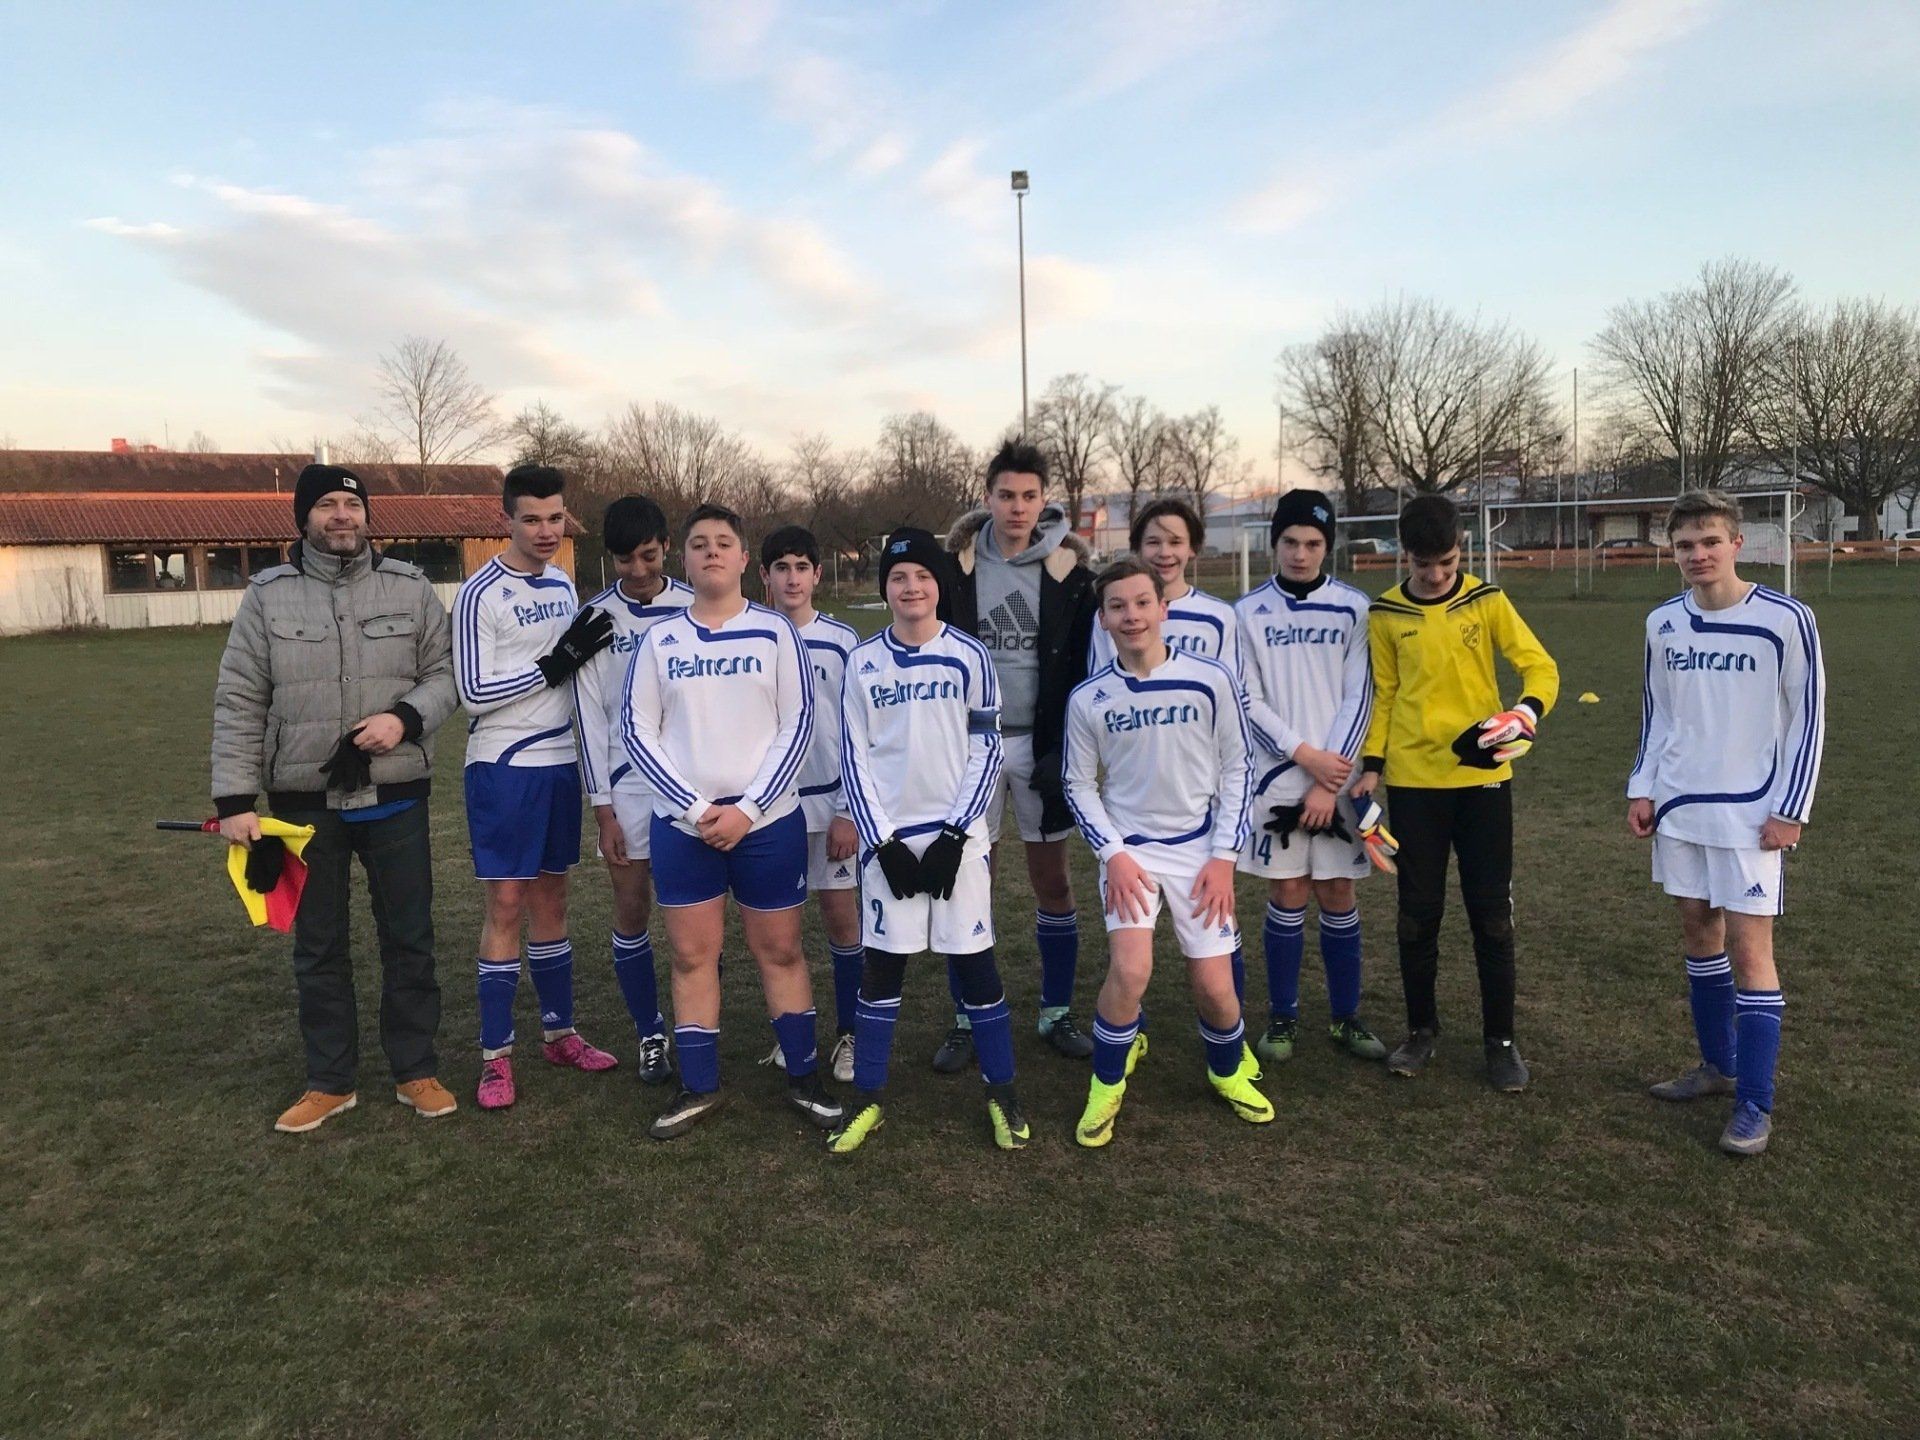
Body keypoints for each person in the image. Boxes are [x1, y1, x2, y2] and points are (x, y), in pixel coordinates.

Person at [211, 462, 458, 1133]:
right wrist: (234, 799)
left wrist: (404, 719)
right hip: (304, 805)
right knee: (318, 947)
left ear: (367, 515)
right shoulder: (267, 598)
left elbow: (445, 674)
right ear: (304, 519)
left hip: (395, 795)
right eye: (326, 505)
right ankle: (330, 1081)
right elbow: (239, 698)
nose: (341, 516)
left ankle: (416, 1069)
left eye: (351, 504)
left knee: (409, 939)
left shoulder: (410, 588)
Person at [621, 503, 843, 1140]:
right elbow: (638, 732)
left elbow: (798, 725)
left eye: (723, 542)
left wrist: (748, 809)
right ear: (684, 559)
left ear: (745, 559)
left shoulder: (776, 634)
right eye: (699, 544)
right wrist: (697, 810)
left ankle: (804, 1077)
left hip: (766, 824)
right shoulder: (660, 640)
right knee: (693, 956)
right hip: (684, 828)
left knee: (781, 950)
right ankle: (699, 1086)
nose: (712, 552)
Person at [1627, 490, 1824, 1157]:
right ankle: (1718, 1066)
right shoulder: (1662, 623)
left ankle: (1755, 1104)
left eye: (1710, 541)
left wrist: (1791, 809)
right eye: (1685, 545)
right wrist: (1642, 788)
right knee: (1697, 931)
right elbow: (1657, 714)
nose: (1698, 555)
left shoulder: (1786, 619)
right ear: (1672, 552)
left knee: (1749, 950)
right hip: (1681, 807)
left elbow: (1808, 719)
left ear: (1737, 543)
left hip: (1751, 815)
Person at [828, 528, 1029, 1155]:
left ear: (939, 585)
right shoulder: (863, 662)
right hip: (888, 844)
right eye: (898, 578)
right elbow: (854, 757)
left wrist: (955, 834)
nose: (911, 587)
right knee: (882, 968)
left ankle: (1003, 1093)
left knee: (975, 965)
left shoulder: (970, 655)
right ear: (885, 588)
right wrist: (882, 842)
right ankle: (867, 1099)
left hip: (957, 844)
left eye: (922, 575)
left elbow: (986, 748)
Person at [1357, 492, 1559, 1092]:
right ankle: (1421, 1031)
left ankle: (1501, 1043)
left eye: (1446, 562)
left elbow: (1540, 667)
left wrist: (1524, 714)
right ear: (1405, 554)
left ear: (1460, 548)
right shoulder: (1385, 614)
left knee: (1492, 916)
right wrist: (1372, 766)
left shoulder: (1486, 600)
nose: (1436, 574)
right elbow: (1385, 694)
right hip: (1414, 784)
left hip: (1482, 783)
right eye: (1424, 564)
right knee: (1417, 917)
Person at [1064, 556, 1269, 1147]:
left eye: (1141, 603)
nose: (1132, 616)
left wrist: (1224, 858)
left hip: (1200, 853)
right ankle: (1105, 1086)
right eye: (1117, 607)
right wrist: (1113, 854)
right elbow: (1078, 784)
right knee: (1131, 970)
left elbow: (1240, 768)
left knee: (1216, 989)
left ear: (1163, 608)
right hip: (1131, 853)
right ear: (1103, 620)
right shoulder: (1089, 698)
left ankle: (1225, 1071)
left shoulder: (1211, 680)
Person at [453, 464, 621, 1111]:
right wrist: (551, 665)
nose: (546, 531)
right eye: (532, 519)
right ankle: (495, 1057)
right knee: (506, 905)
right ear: (507, 520)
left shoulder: (560, 581)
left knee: (553, 899)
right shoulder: (479, 593)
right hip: (503, 764)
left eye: (555, 518)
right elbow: (473, 692)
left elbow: (575, 673)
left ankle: (559, 1034)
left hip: (558, 764)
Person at [939, 439, 1099, 1067]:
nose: (1017, 507)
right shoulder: (955, 567)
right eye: (1006, 495)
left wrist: (1069, 745)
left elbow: (1086, 662)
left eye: (1029, 496)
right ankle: (966, 1016)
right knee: (968, 880)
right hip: (972, 743)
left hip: (1041, 744)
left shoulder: (1071, 572)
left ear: (1043, 500)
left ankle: (1056, 1011)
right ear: (987, 497)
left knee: (1052, 879)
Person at [1234, 489, 1385, 1066]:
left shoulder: (1353, 608)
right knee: (1289, 891)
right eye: (1291, 542)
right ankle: (1283, 1017)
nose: (1301, 554)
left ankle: (1346, 1017)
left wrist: (1328, 779)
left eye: (1313, 543)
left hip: (1339, 780)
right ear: (1275, 543)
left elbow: (1360, 696)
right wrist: (1304, 757)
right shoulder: (1246, 613)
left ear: (1329, 546)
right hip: (1279, 778)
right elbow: (1247, 699)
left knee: (1339, 891)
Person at [571, 495, 692, 1086]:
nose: (639, 571)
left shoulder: (696, 607)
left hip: (693, 787)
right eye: (625, 560)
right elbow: (589, 717)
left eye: (648, 555)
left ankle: (697, 1027)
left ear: (666, 546)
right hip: (628, 789)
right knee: (632, 907)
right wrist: (603, 810)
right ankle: (650, 1032)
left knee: (695, 914)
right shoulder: (594, 619)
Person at [758, 525, 864, 1083]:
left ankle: (851, 1034)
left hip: (831, 811)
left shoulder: (843, 642)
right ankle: (794, 1034)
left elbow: (859, 733)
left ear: (818, 574)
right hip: (772, 811)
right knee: (782, 932)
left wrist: (848, 809)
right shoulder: (752, 637)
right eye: (782, 568)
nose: (792, 578)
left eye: (802, 567)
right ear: (764, 575)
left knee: (842, 920)